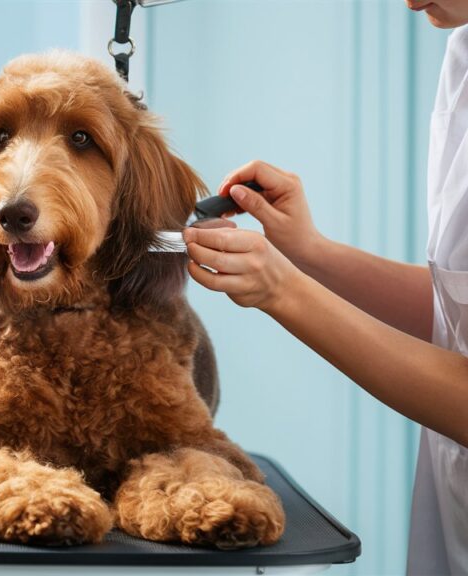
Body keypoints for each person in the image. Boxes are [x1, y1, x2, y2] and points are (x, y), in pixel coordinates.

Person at [182, 1, 468, 573]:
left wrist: (282, 291)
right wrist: (311, 253)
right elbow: (457, 310)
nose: (409, 2)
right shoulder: (461, 51)